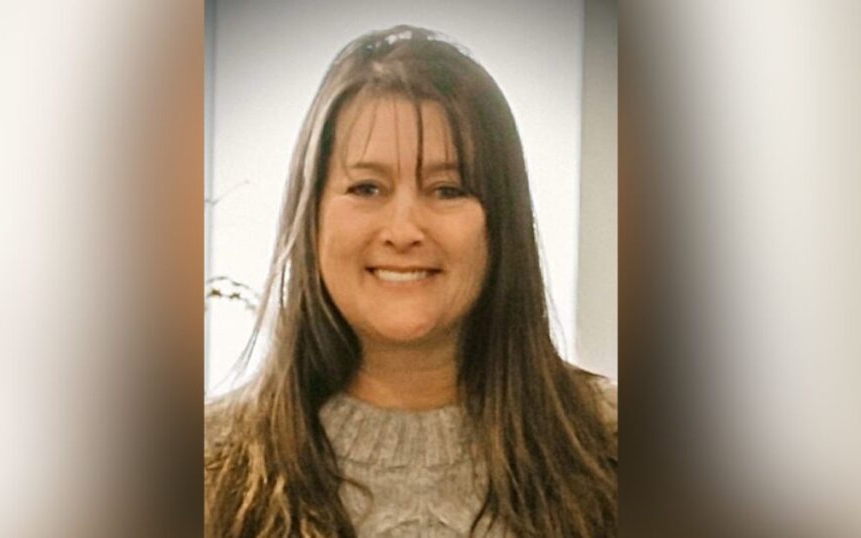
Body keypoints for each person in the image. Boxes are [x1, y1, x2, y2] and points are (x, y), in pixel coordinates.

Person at [205, 25, 617, 537]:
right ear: (310, 218)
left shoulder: (612, 449)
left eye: (447, 190)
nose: (403, 231)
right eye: (367, 188)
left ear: (501, 224)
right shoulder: (209, 466)